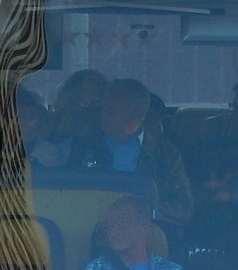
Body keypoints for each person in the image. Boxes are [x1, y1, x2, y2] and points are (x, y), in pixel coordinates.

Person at [66, 78, 194, 227]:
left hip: (147, 234)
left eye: (112, 109)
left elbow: (183, 209)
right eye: (104, 107)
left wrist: (142, 211)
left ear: (134, 119)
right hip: (89, 227)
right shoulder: (81, 146)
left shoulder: (166, 155)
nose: (103, 113)